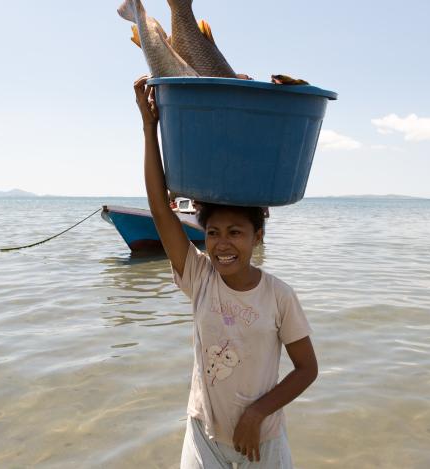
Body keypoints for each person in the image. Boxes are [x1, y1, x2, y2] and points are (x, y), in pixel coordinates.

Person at [134, 76, 318, 468]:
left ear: (258, 236)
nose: (222, 244)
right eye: (213, 233)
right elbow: (159, 206)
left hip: (262, 440)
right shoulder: (199, 278)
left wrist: (257, 413)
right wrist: (149, 127)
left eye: (236, 232)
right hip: (204, 436)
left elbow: (307, 369)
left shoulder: (279, 295)